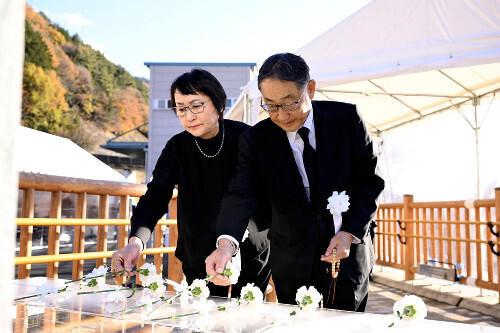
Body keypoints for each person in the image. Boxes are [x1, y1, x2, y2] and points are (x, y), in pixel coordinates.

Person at [206, 53, 384, 311]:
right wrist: (225, 246)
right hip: (292, 257)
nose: (281, 115)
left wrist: (350, 232)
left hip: (348, 253)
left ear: (310, 89)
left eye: (290, 103)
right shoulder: (255, 140)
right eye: (271, 105)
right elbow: (241, 194)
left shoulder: (346, 120)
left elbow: (371, 182)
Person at [112, 68, 271, 298]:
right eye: (181, 108)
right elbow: (154, 198)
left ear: (218, 103)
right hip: (198, 253)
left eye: (197, 106)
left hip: (249, 252)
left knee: (247, 321)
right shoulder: (177, 147)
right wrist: (136, 241)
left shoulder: (246, 139)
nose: (189, 116)